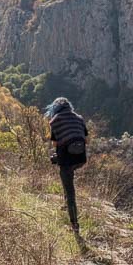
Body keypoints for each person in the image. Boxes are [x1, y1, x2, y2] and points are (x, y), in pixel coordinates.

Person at [45, 97, 88, 235]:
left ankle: (74, 224)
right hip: (81, 158)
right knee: (69, 174)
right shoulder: (79, 118)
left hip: (66, 158)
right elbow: (86, 139)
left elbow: (55, 143)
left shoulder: (55, 120)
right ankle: (66, 205)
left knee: (70, 191)